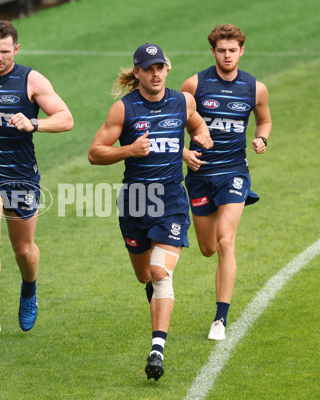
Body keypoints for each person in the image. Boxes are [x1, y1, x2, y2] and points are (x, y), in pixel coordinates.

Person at [88, 43, 212, 381]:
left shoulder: (182, 101)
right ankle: (157, 294)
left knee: (160, 272)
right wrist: (128, 149)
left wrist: (198, 140)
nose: (156, 73)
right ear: (138, 73)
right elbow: (95, 153)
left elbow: (196, 125)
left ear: (167, 69)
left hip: (171, 201)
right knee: (144, 275)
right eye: (149, 68)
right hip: (135, 202)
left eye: (160, 67)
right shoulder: (123, 110)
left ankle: (157, 349)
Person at [0, 19, 73, 348]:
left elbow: (66, 118)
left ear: (16, 50)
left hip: (21, 176)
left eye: (5, 52)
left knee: (23, 250)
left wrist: (33, 122)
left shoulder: (30, 80)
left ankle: (29, 289)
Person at [180, 24, 272, 341]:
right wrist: (183, 153)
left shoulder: (255, 88)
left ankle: (220, 319)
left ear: (242, 51)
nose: (228, 55)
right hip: (201, 176)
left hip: (234, 173)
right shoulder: (195, 84)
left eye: (233, 50)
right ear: (213, 51)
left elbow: (265, 119)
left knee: (225, 242)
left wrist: (261, 138)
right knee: (207, 249)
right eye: (222, 50)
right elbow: (171, 121)